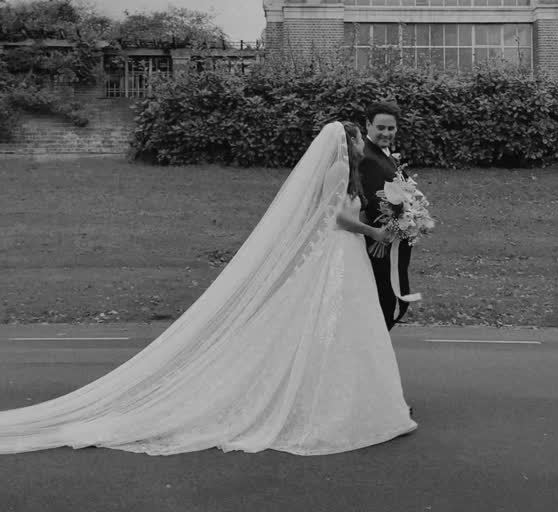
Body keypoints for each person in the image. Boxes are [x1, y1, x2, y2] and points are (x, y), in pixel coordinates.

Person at [0, 121, 416, 456]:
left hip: (347, 255)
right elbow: (333, 217)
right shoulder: (340, 170)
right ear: (346, 142)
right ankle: (331, 402)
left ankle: (345, 397)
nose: (361, 143)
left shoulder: (350, 174)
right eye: (357, 137)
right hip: (338, 254)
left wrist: (393, 220)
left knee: (344, 328)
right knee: (334, 324)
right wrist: (373, 232)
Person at [359, 101, 413, 330]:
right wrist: (403, 221)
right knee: (387, 301)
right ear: (368, 125)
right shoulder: (367, 157)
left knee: (391, 299)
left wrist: (414, 210)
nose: (386, 133)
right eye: (381, 127)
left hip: (394, 239)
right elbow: (371, 203)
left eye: (391, 128)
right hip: (380, 243)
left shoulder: (386, 154)